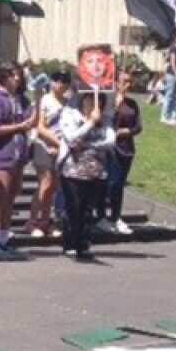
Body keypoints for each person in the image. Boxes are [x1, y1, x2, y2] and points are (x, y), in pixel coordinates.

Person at [0, 65, 36, 261]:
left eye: (20, 76)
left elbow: (32, 120)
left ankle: (4, 240)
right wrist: (20, 126)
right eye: (14, 76)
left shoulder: (20, 100)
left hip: (18, 155)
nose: (18, 79)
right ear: (4, 78)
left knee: (10, 199)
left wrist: (38, 101)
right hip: (1, 155)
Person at [56, 91, 115, 260]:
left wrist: (89, 144)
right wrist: (90, 122)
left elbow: (110, 141)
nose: (97, 107)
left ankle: (83, 244)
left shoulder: (105, 120)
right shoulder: (70, 114)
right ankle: (70, 243)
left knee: (88, 210)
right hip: (73, 170)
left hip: (95, 170)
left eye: (100, 104)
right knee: (74, 207)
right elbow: (71, 137)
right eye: (92, 103)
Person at [97, 71, 142, 235]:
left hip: (126, 148)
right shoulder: (109, 102)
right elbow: (103, 121)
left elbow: (138, 127)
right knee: (109, 182)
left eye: (129, 82)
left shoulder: (132, 104)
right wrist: (115, 107)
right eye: (124, 81)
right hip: (110, 148)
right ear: (116, 83)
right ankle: (101, 216)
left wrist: (127, 131)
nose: (127, 85)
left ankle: (116, 216)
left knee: (119, 185)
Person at [27, 71, 70, 239]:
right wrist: (56, 143)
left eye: (65, 82)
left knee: (54, 186)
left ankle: (45, 221)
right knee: (45, 183)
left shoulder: (67, 103)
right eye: (58, 81)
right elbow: (40, 126)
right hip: (43, 145)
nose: (61, 85)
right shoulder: (44, 100)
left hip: (60, 148)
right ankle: (32, 221)